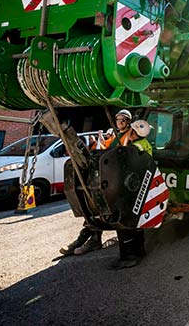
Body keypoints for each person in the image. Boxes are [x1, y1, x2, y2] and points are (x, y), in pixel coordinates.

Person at [59, 109, 137, 257]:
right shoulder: (115, 134)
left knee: (105, 208)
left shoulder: (129, 135)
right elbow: (104, 148)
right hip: (106, 173)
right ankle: (89, 239)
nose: (119, 123)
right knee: (96, 207)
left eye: (122, 120)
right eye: (118, 120)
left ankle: (90, 240)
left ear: (128, 121)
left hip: (118, 177)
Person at [109, 118, 155, 270]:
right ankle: (140, 250)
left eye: (132, 131)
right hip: (141, 185)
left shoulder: (134, 147)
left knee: (125, 221)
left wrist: (126, 138)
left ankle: (129, 257)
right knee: (137, 221)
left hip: (132, 188)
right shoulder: (145, 144)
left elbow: (120, 155)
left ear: (135, 133)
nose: (130, 132)